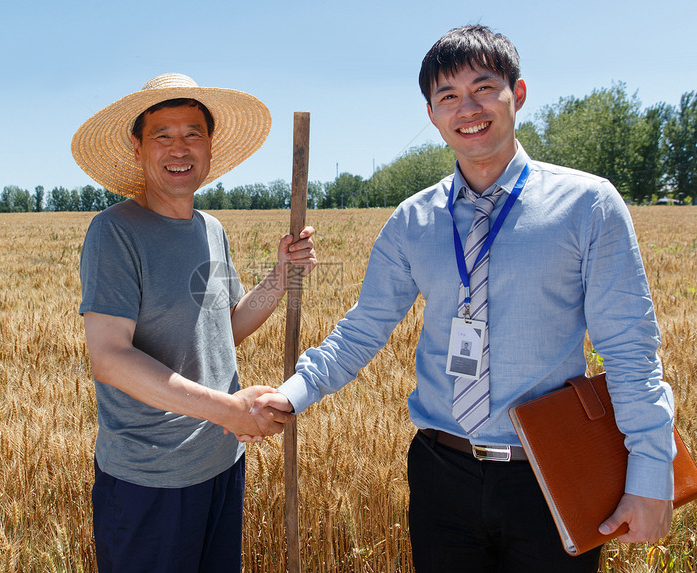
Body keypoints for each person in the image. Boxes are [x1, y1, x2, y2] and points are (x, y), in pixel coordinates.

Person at [250, 25, 675, 572]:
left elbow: (629, 349)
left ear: (516, 95)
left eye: (483, 88)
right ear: (432, 114)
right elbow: (363, 328)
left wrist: (650, 473)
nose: (466, 109)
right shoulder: (412, 221)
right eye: (447, 96)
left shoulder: (587, 205)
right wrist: (292, 394)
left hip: (550, 476)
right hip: (440, 474)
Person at [72, 73, 316, 573]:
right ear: (138, 147)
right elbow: (110, 359)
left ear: (209, 146)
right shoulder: (115, 232)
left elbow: (224, 328)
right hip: (151, 480)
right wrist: (229, 410)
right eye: (162, 134)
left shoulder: (211, 229)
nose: (178, 148)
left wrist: (281, 274)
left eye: (192, 133)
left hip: (221, 463)